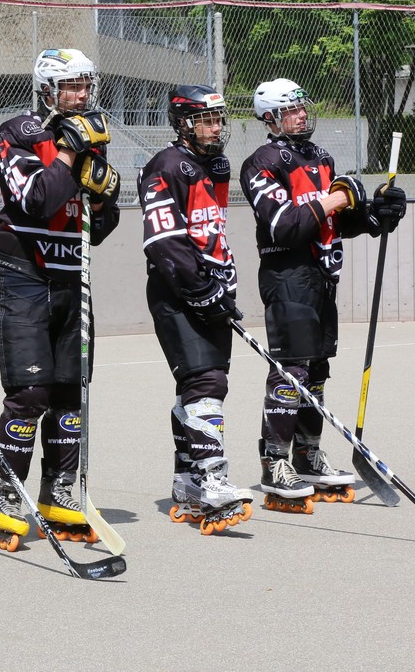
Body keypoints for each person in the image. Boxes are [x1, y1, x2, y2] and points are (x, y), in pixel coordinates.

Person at [240, 78, 405, 513]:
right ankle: (274, 462)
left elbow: (335, 222)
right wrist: (336, 200)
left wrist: (375, 213)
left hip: (322, 276)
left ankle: (307, 455)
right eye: (290, 111)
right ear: (270, 118)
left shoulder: (321, 157)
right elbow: (286, 225)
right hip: (287, 275)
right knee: (291, 371)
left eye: (302, 107)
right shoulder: (261, 163)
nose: (301, 115)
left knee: (316, 371)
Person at [0, 49, 122, 551]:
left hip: (72, 275)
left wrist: (103, 196)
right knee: (30, 394)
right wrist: (69, 154)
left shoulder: (93, 137)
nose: (80, 95)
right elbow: (36, 200)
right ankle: (9, 494)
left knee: (71, 391)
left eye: (85, 85)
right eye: (70, 86)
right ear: (47, 89)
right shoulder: (18, 133)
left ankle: (60, 491)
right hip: (25, 274)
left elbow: (99, 228)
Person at [139, 85, 253, 535]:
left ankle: (187, 480)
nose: (215, 127)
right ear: (183, 123)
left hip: (212, 290)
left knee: (197, 386)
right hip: (177, 292)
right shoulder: (165, 166)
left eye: (219, 119)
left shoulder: (214, 166)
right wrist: (202, 289)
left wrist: (220, 288)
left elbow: (211, 232)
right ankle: (212, 479)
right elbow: (163, 241)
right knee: (207, 381)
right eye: (206, 120)